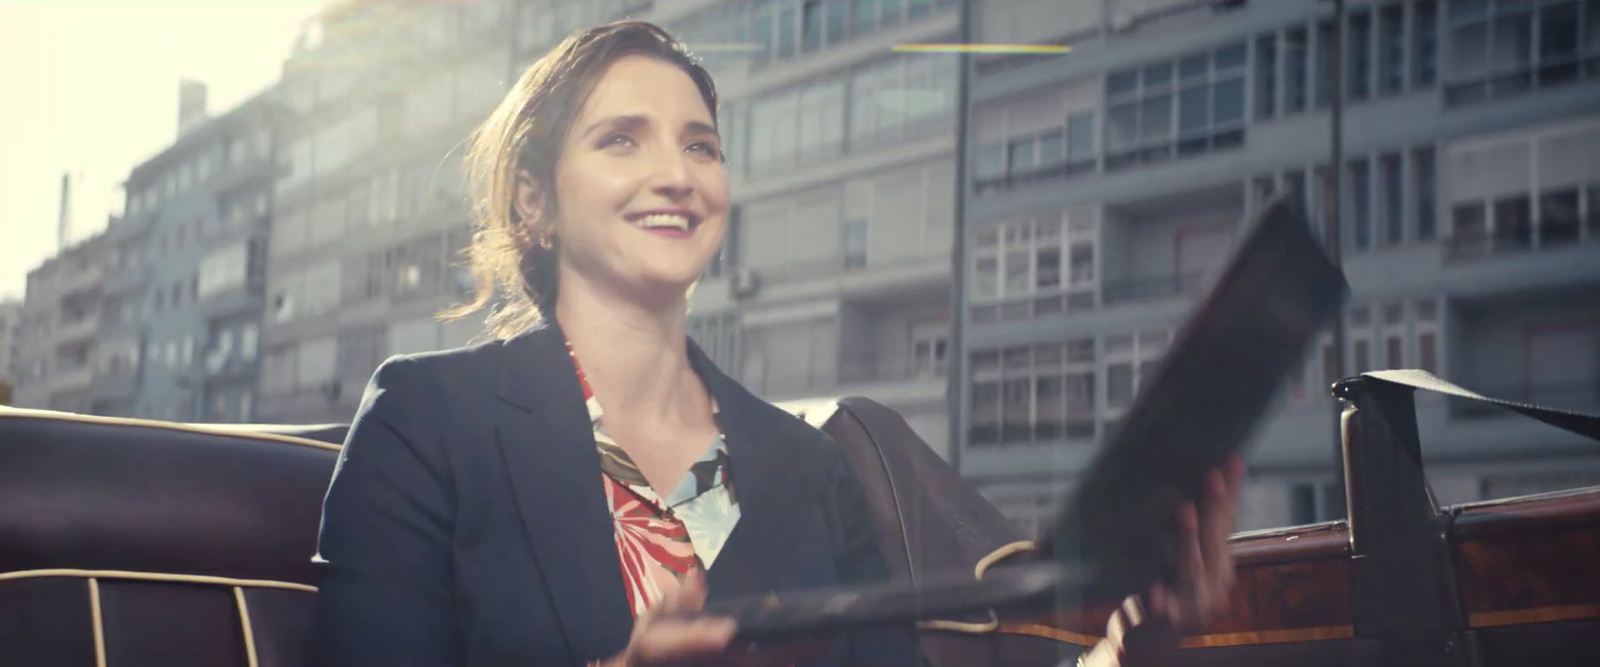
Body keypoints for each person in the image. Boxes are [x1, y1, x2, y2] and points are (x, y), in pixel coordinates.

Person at [309, 20, 1241, 667]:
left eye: (701, 146)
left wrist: (1130, 645)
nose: (676, 173)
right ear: (533, 200)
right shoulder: (425, 422)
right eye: (621, 141)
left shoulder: (808, 467)